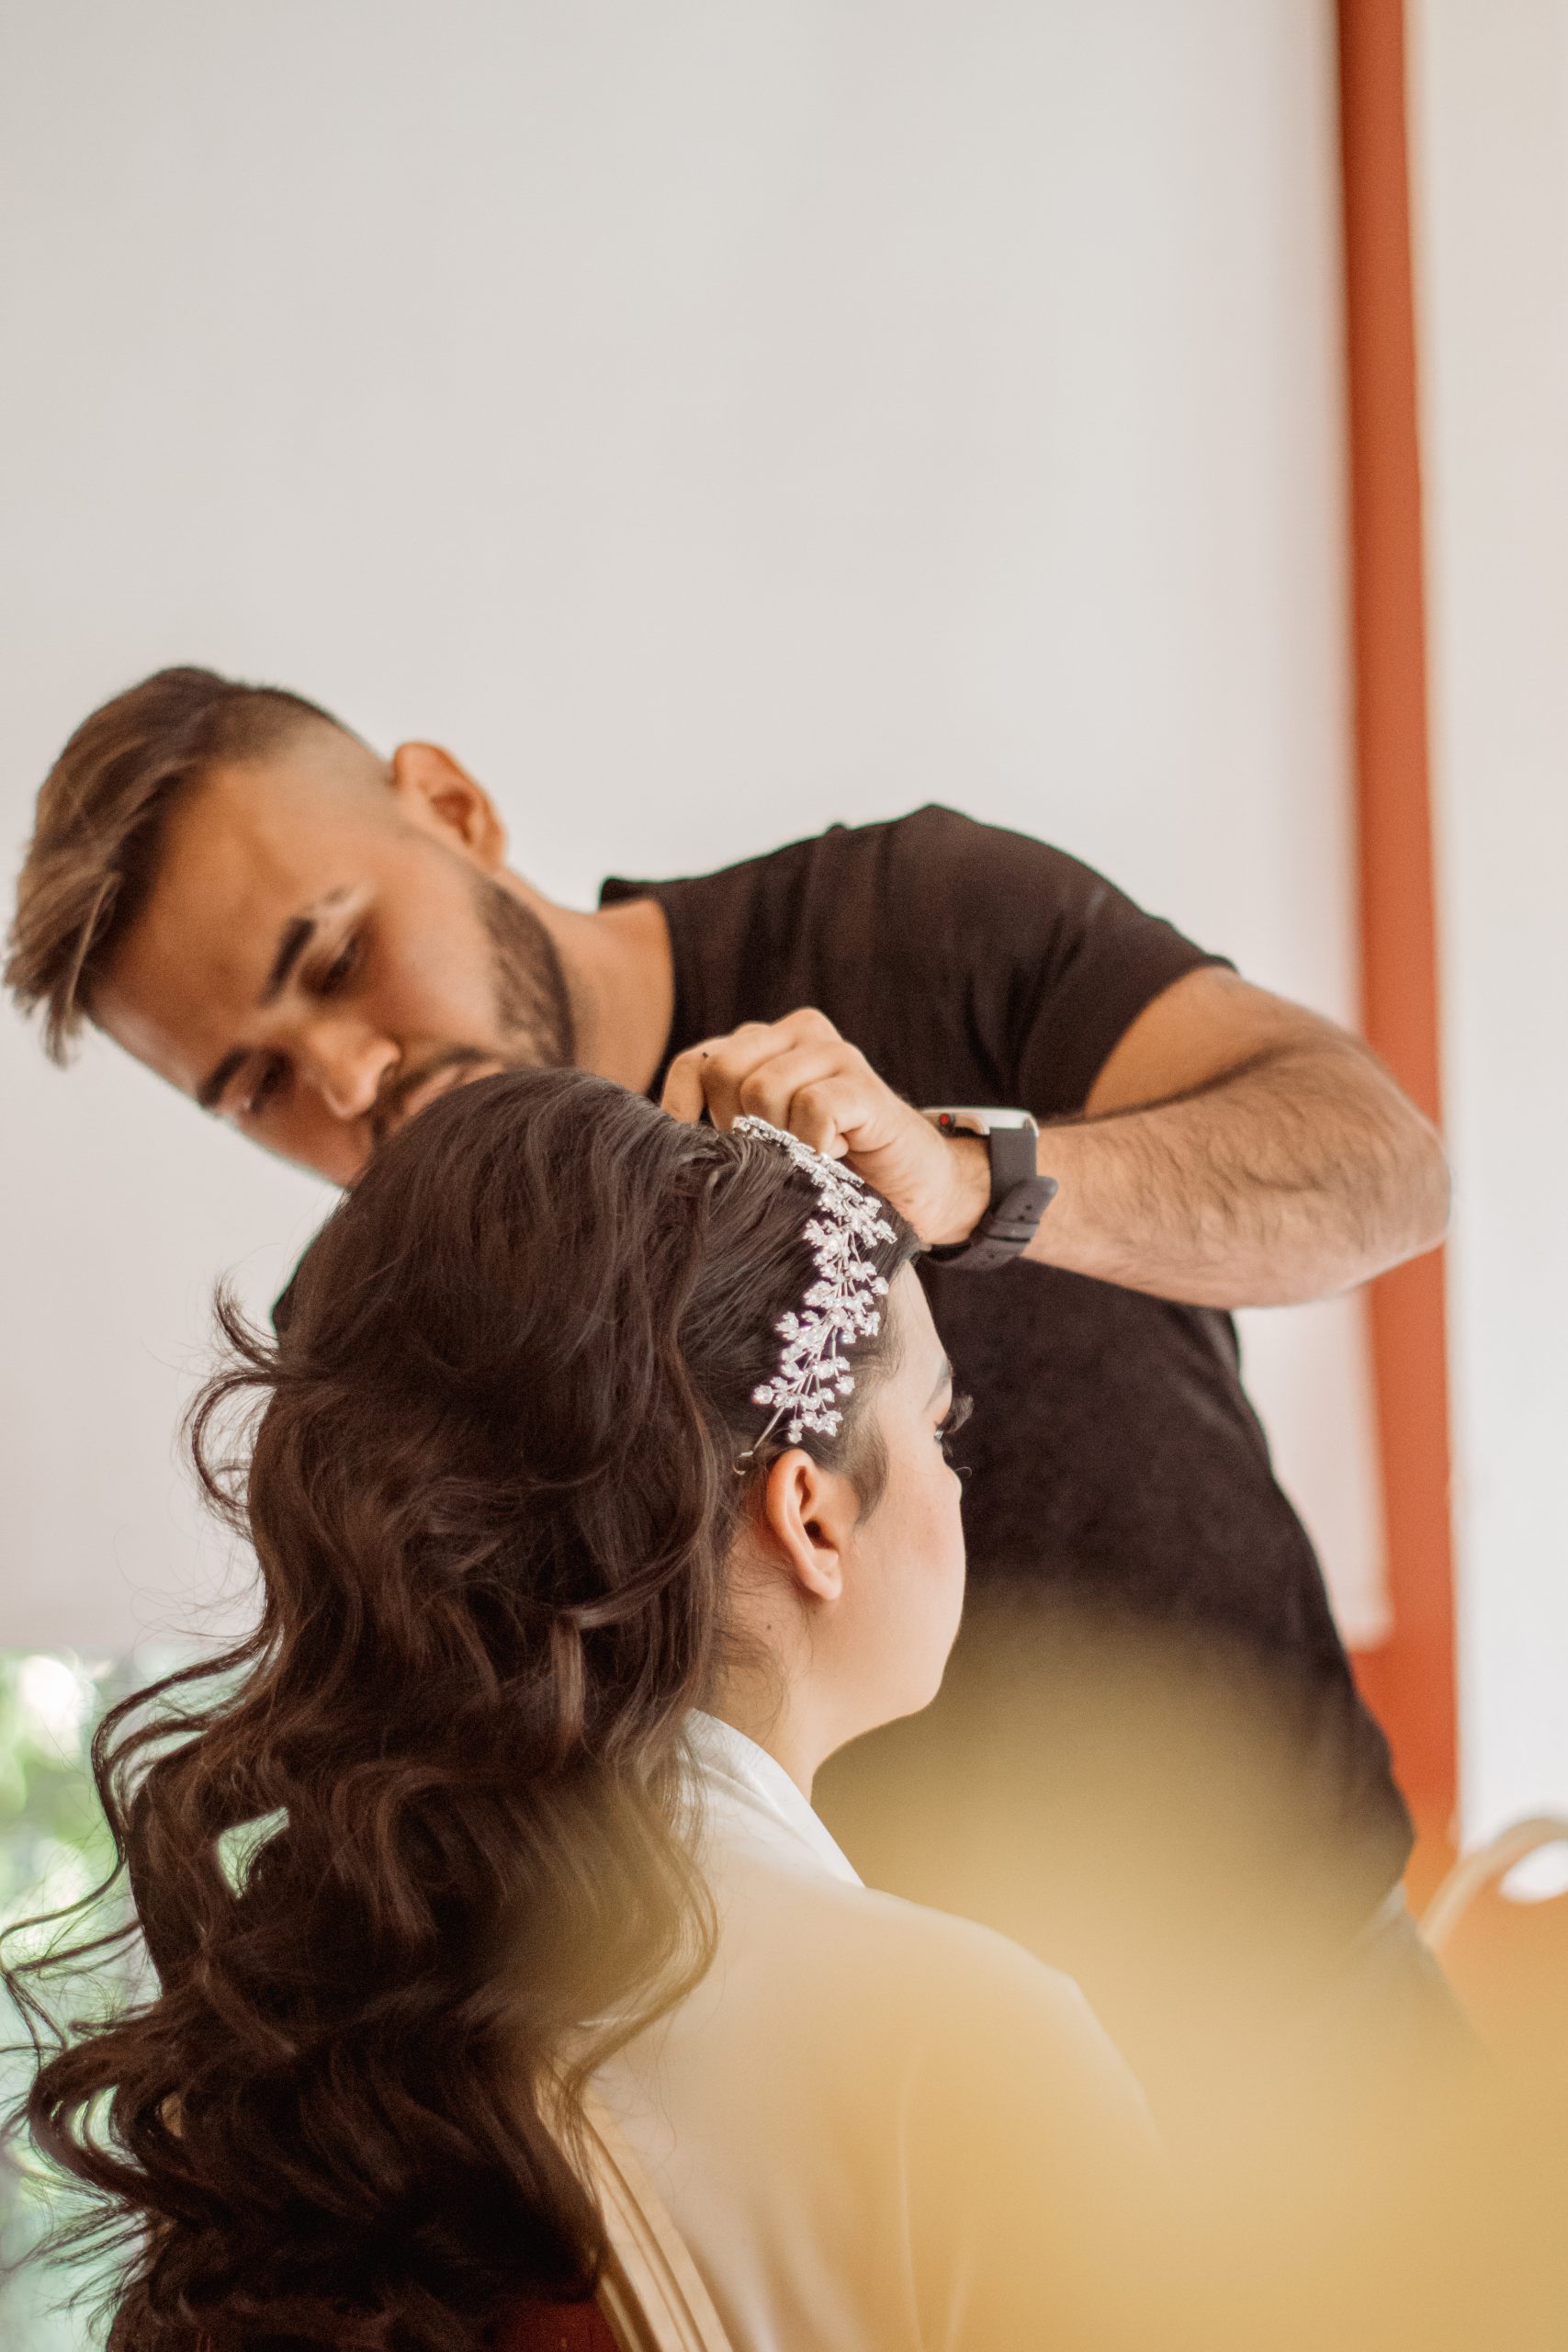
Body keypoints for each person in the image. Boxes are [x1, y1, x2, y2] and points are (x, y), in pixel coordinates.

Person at [6, 666, 1452, 2105]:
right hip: (881, 2130)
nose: (346, 1078)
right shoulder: (368, 1321)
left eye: (335, 961)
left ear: (452, 808)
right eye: (254, 1085)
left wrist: (965, 1181)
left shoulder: (916, 920)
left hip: (1312, 1990)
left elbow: (1383, 1171)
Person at [10, 1069, 1158, 2352]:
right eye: (941, 1427)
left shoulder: (313, 2050)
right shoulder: (968, 2053)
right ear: (811, 1515)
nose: (954, 1483)